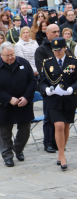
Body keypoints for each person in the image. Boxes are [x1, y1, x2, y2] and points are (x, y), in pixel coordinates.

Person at [0, 42, 36, 167]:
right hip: (3, 105)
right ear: (1, 54)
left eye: (12, 54)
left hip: (23, 103)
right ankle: (7, 156)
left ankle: (18, 149)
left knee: (25, 129)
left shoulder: (23, 63)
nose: (10, 57)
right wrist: (8, 99)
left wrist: (26, 97)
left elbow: (32, 81)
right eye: (7, 55)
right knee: (5, 132)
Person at [40, 37, 77, 170]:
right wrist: (46, 89)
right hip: (54, 99)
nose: (57, 52)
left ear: (65, 48)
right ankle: (62, 155)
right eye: (54, 50)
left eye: (59, 50)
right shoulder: (47, 62)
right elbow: (43, 81)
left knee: (66, 126)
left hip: (69, 98)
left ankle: (60, 154)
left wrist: (73, 88)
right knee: (59, 126)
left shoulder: (73, 61)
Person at [35, 24, 60, 153]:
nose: (57, 34)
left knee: (60, 117)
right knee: (49, 117)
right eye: (54, 32)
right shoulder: (41, 50)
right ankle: (48, 142)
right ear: (47, 34)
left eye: (58, 31)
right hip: (49, 88)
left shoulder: (63, 48)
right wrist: (60, 73)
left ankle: (58, 141)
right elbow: (42, 70)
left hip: (64, 89)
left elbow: (72, 66)